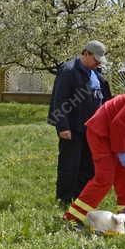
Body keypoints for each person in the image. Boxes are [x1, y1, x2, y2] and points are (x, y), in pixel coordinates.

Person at [63, 82, 125, 226]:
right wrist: (120, 151)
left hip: (114, 137)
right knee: (104, 178)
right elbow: (118, 124)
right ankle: (72, 218)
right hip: (101, 134)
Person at [48, 40, 113, 206]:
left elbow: (104, 99)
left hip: (91, 130)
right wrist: (62, 126)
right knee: (69, 165)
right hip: (72, 128)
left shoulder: (96, 74)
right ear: (86, 53)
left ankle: (79, 198)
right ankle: (64, 199)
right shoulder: (68, 71)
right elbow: (60, 99)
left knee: (88, 165)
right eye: (96, 59)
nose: (98, 63)